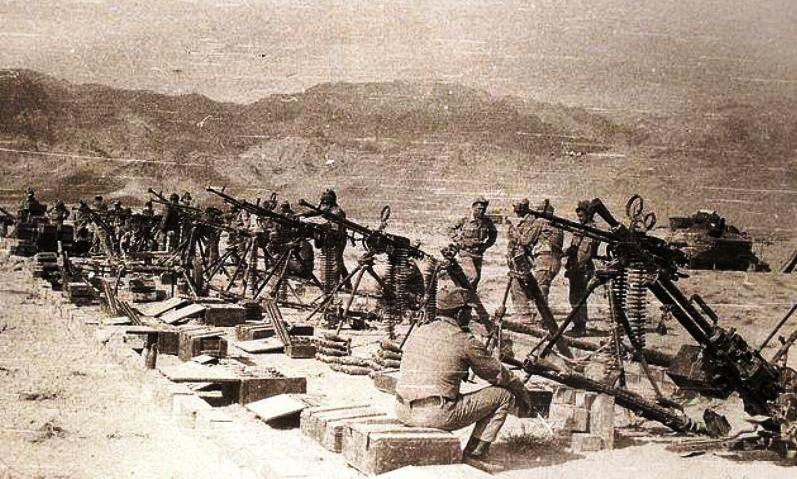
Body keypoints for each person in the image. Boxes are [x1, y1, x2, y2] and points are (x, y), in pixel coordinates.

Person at [396, 286, 532, 460]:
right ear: (460, 313)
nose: (470, 316)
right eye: (468, 311)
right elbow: (497, 375)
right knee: (502, 395)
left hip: (402, 410)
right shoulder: (464, 340)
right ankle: (475, 455)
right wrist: (521, 392)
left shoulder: (419, 331)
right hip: (434, 415)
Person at [565, 201, 599, 335]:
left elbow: (585, 252)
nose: (579, 218)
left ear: (588, 214)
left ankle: (580, 327)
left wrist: (577, 266)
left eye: (581, 215)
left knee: (579, 298)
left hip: (582, 267)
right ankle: (578, 325)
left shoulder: (591, 230)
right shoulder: (582, 229)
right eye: (578, 216)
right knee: (574, 297)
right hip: (576, 267)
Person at [447, 197, 497, 290]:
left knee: (476, 280)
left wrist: (486, 246)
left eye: (483, 209)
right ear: (473, 208)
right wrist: (458, 240)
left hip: (478, 253)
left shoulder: (486, 221)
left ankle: (469, 296)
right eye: (479, 209)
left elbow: (493, 234)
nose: (481, 211)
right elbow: (450, 229)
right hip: (466, 252)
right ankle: (460, 293)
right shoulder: (465, 219)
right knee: (473, 277)